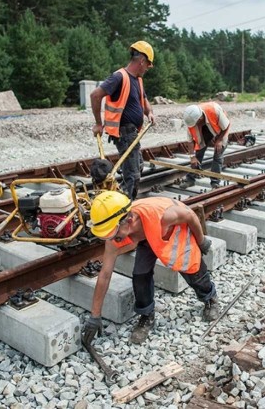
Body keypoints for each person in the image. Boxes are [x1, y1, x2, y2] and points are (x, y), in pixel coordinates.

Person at [82, 191, 220, 345]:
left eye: (113, 233)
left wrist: (201, 241)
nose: (112, 239)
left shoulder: (164, 216)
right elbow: (105, 274)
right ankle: (147, 315)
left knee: (191, 268)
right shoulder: (115, 233)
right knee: (140, 276)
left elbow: (189, 215)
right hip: (145, 237)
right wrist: (95, 316)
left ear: (129, 219)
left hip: (170, 230)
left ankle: (210, 298)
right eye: (106, 236)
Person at [91, 41, 155, 200]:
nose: (148, 68)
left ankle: (121, 189)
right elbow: (95, 95)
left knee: (137, 166)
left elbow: (143, 99)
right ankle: (124, 208)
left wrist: (150, 113)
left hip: (133, 133)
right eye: (148, 64)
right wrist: (99, 124)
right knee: (133, 175)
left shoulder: (138, 79)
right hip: (124, 132)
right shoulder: (119, 76)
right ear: (142, 60)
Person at [180, 102, 231, 189]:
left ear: (200, 119)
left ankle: (215, 182)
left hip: (220, 129)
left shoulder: (215, 111)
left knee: (218, 155)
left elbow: (226, 126)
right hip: (204, 130)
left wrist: (219, 141)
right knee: (198, 154)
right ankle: (190, 180)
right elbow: (190, 141)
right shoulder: (191, 120)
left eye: (196, 123)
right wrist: (192, 157)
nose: (194, 125)